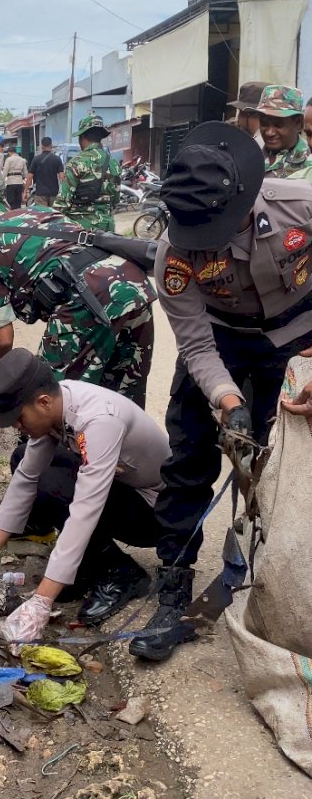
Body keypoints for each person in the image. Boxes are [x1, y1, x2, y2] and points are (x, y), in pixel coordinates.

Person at [128, 122, 312, 664]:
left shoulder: (300, 206)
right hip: (223, 340)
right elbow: (194, 343)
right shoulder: (173, 255)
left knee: (290, 465)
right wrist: (227, 401)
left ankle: (285, 581)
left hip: (301, 335)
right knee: (186, 459)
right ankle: (174, 592)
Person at [0, 350, 169, 635]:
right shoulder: (59, 404)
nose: (16, 425)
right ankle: (80, 567)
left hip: (156, 512)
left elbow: (85, 509)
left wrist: (41, 601)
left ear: (43, 402)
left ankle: (121, 574)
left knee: (54, 487)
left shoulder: (99, 421)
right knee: (23, 458)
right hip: (123, 488)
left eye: (19, 418)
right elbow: (26, 475)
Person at [0, 200, 155, 407]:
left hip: (86, 302)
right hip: (132, 286)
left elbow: (1, 340)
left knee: (52, 402)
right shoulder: (31, 211)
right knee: (125, 398)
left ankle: (61, 450)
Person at [54, 114, 121, 231]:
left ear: (82, 137)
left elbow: (62, 204)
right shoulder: (113, 163)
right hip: (107, 230)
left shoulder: (76, 163)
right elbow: (115, 200)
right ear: (100, 137)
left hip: (80, 231)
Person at [253, 85, 312, 177]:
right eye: (264, 124)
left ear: (299, 123)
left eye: (278, 125)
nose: (269, 132)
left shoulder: (309, 163)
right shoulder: (250, 156)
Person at [25, 136, 63, 207]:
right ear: (51, 145)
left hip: (40, 193)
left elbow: (30, 177)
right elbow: (62, 177)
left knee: (42, 215)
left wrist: (25, 191)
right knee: (54, 215)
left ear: (42, 146)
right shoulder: (57, 159)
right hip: (54, 193)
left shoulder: (36, 159)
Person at [3, 144, 28, 208]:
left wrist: (2, 180)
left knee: (11, 201)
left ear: (9, 152)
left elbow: (5, 171)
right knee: (18, 200)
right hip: (19, 182)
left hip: (11, 182)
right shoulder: (22, 160)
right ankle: (17, 212)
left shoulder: (8, 159)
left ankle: (12, 213)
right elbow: (25, 173)